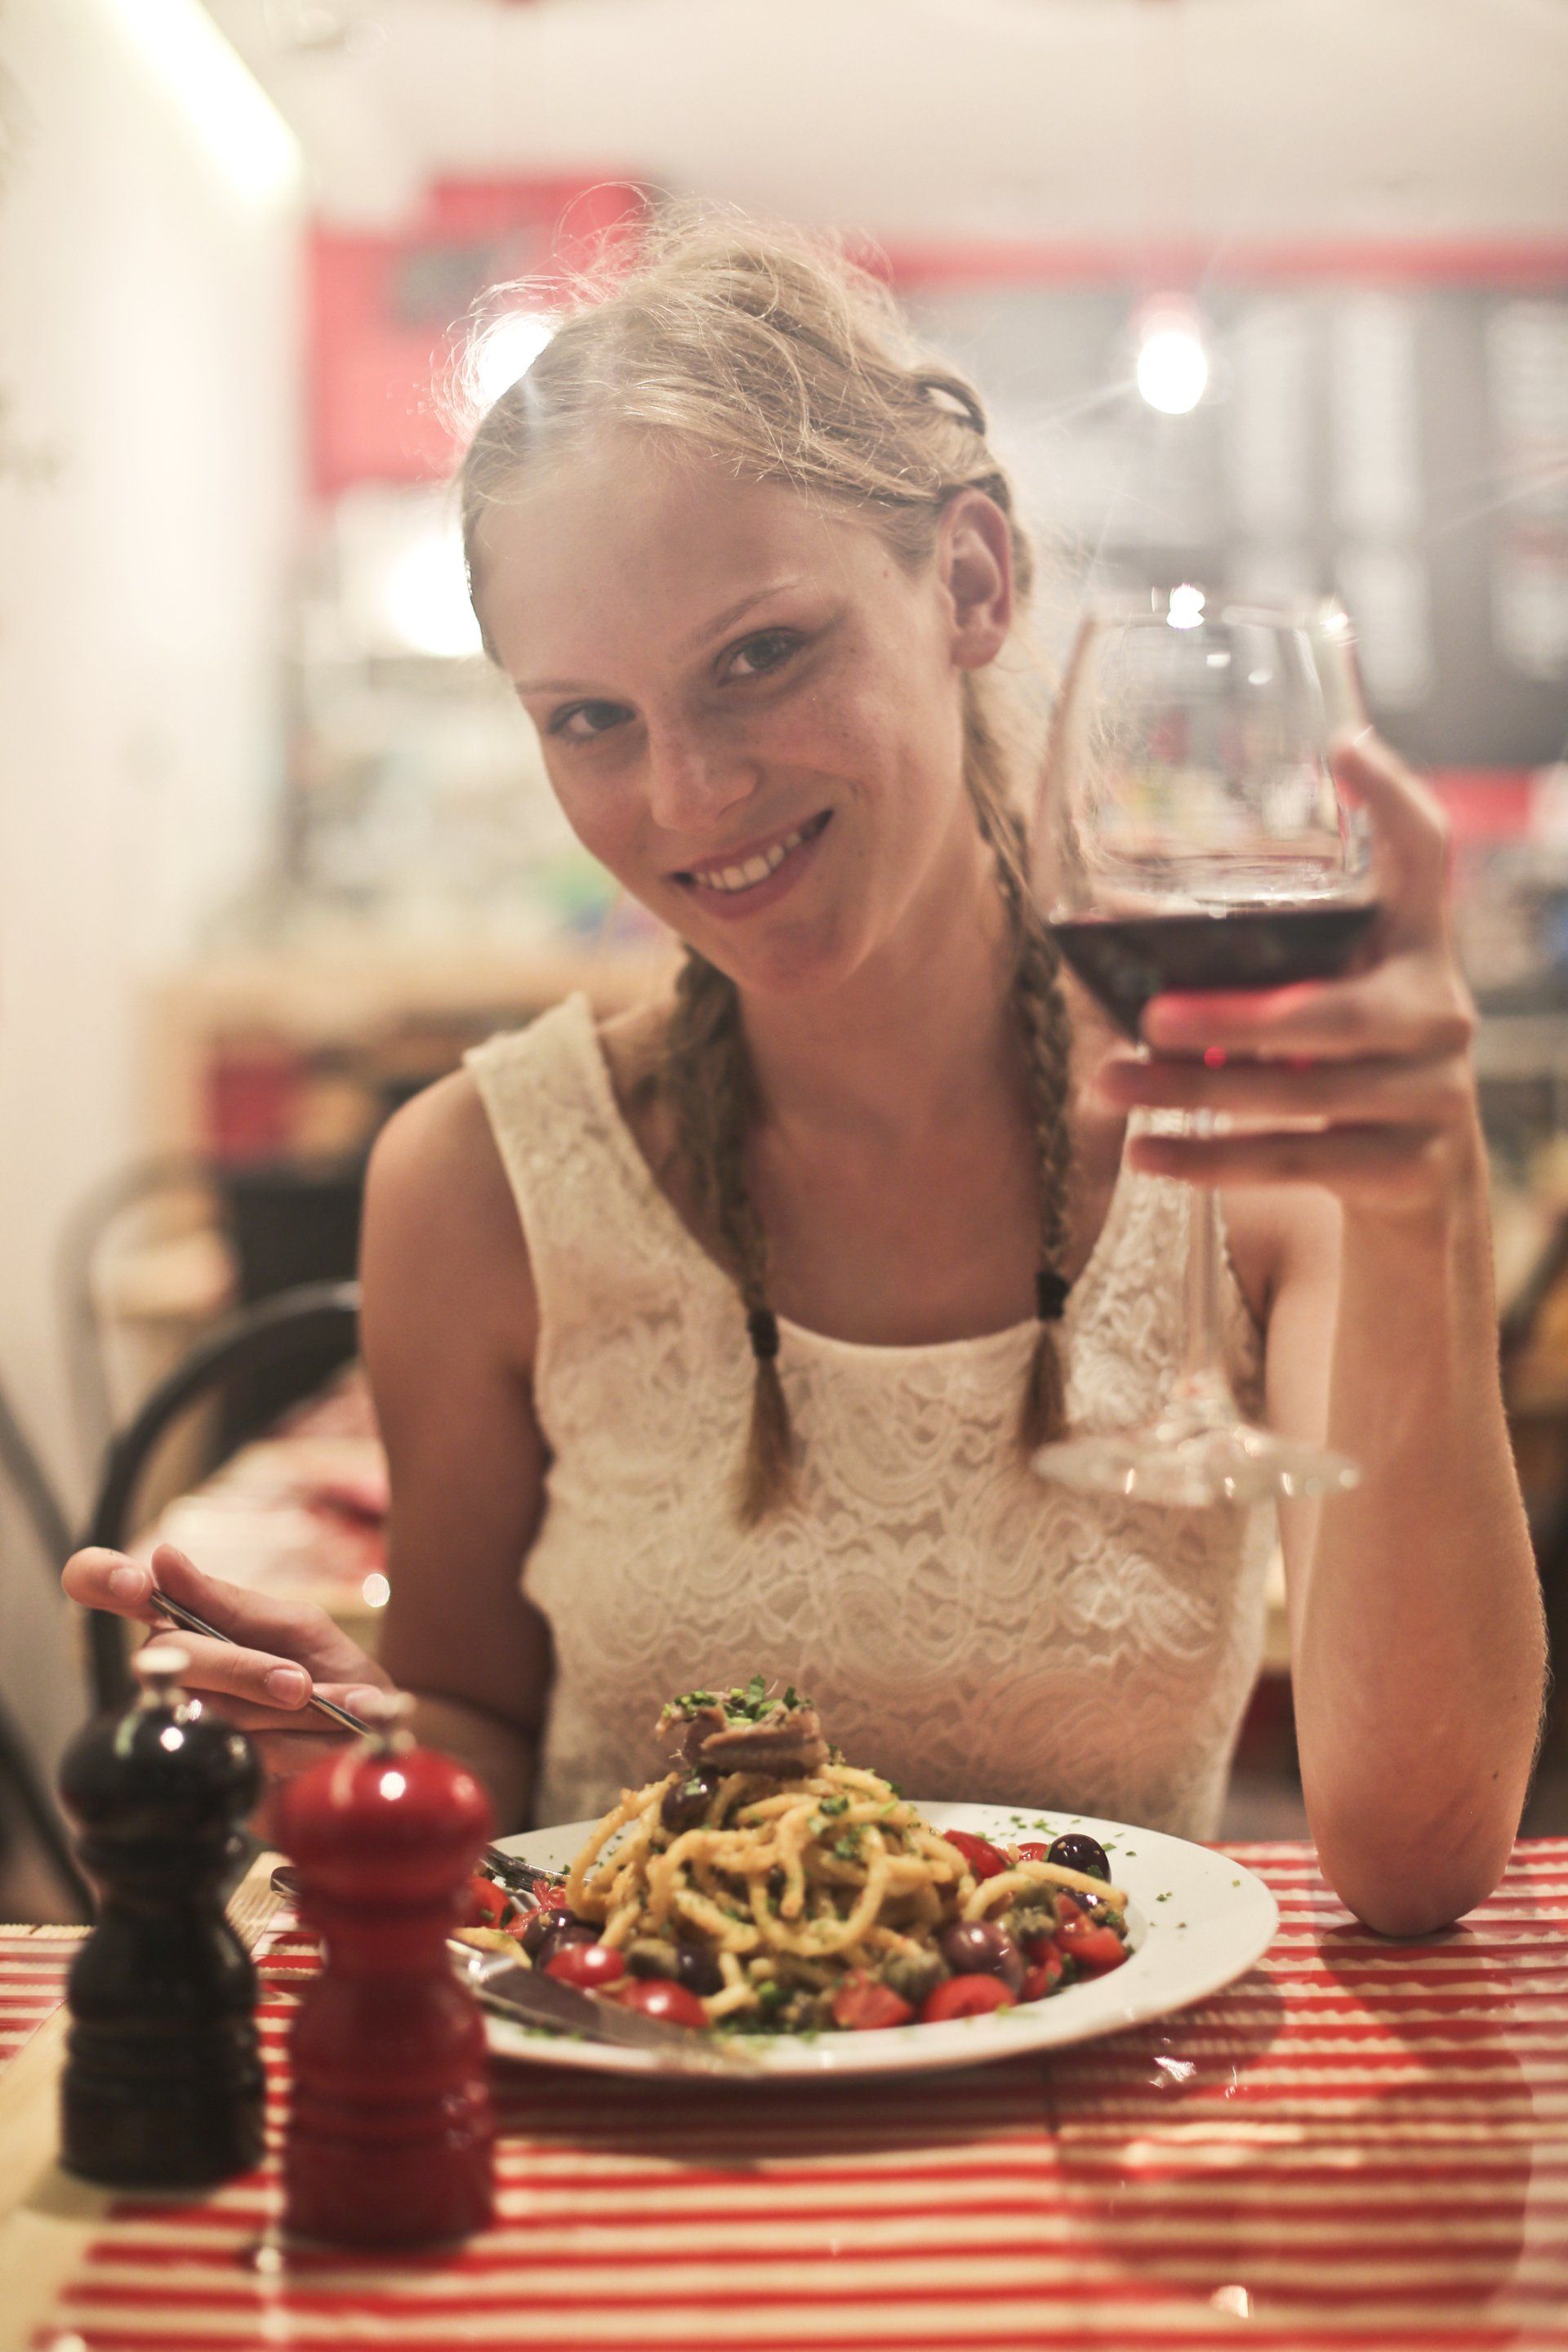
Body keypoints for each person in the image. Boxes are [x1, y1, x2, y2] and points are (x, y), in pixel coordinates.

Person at [66, 214, 1545, 1936]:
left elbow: (1422, 1862)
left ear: (972, 584)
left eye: (761, 654)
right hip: (644, 2122)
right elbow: (477, 1724)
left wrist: (1426, 1204)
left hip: (1089, 2141)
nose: (688, 798)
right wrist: (353, 1741)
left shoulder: (1250, 1149)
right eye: (589, 719)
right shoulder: (479, 1180)